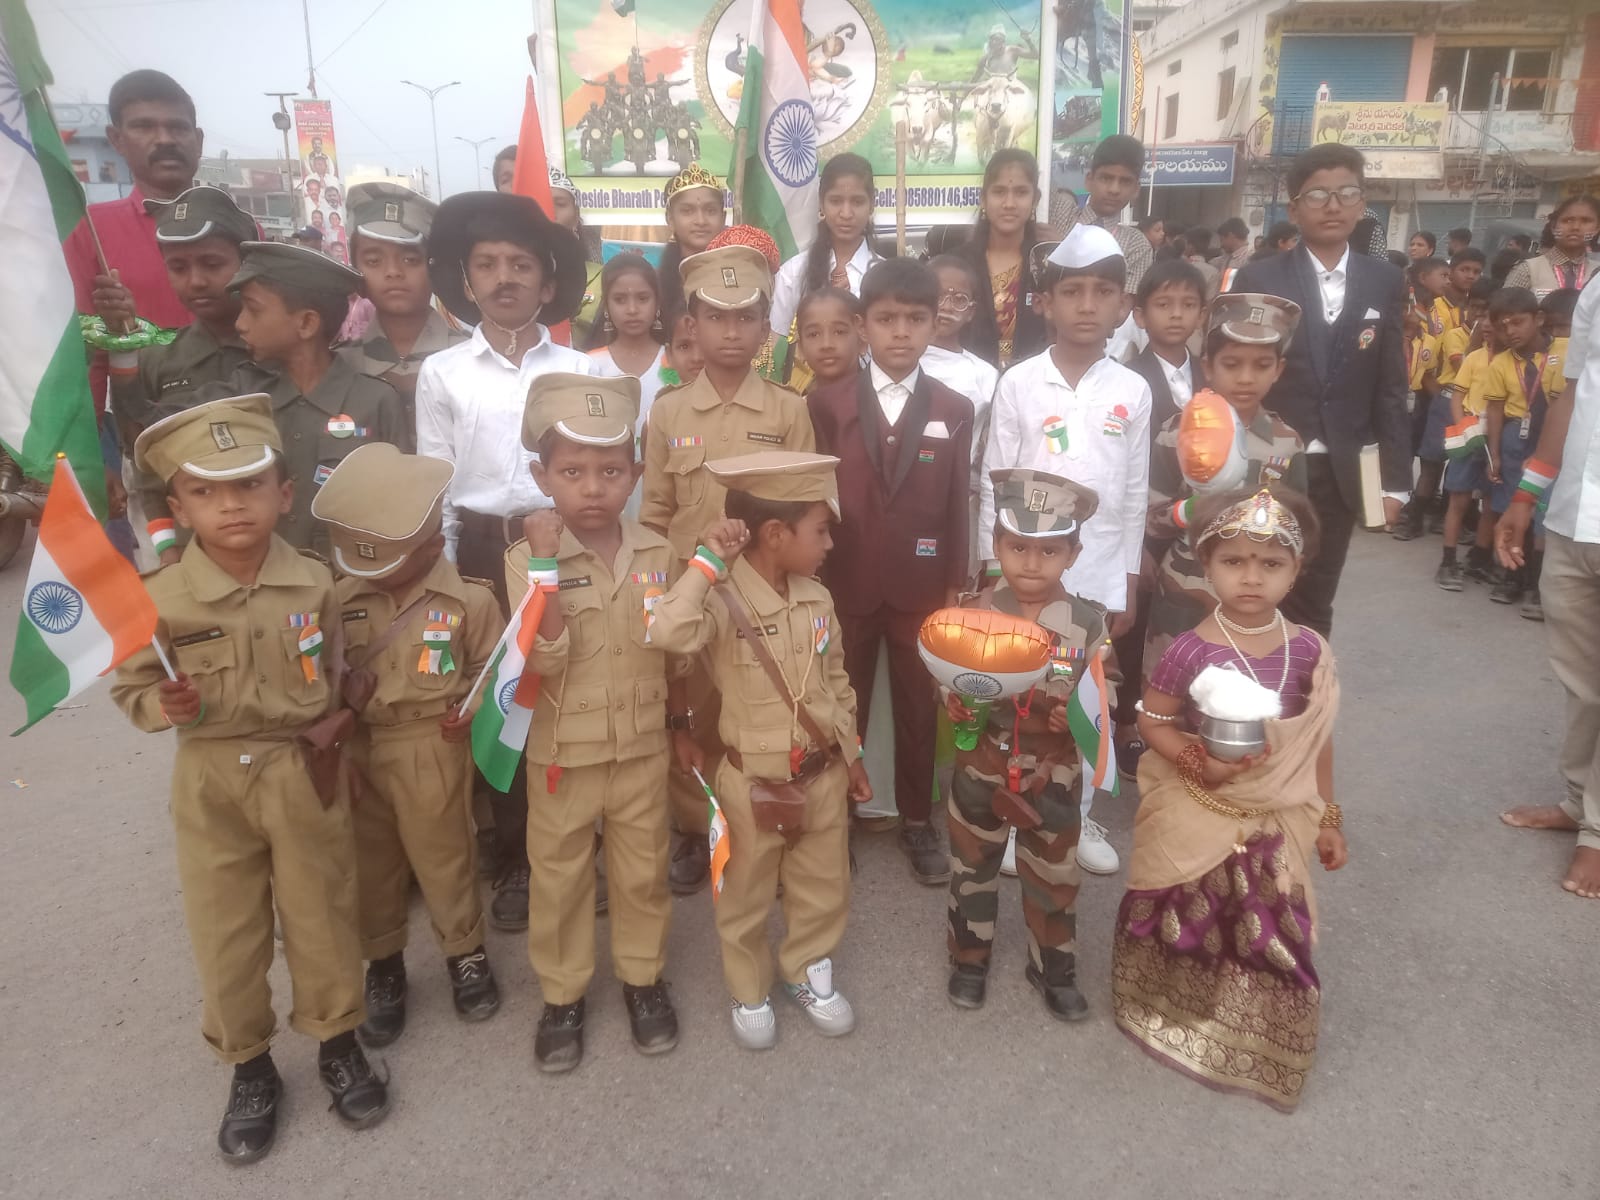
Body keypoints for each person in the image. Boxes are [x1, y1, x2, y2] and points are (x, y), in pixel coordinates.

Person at [111, 395, 390, 1163]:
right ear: (179, 507)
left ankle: (338, 1042)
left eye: (249, 485)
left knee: (321, 912)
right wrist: (161, 704)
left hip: (299, 768)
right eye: (205, 491)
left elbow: (333, 671)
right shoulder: (160, 599)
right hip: (211, 781)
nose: (230, 505)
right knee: (224, 929)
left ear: (284, 494)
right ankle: (250, 1063)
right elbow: (133, 688)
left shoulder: (314, 582)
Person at [1117, 484, 1345, 1112]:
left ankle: (1258, 1042)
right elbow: (1153, 721)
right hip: (1201, 803)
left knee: (1273, 931)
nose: (1251, 577)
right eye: (1233, 561)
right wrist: (1200, 763)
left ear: (1297, 570)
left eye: (1271, 563)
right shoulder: (1189, 648)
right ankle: (1171, 1013)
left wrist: (1330, 817)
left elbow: (1317, 741)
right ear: (1207, 565)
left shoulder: (1309, 650)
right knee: (1187, 917)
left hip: (1277, 814)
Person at [649, 451, 873, 1049]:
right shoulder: (721, 599)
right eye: (820, 531)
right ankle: (748, 988)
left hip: (822, 775)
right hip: (750, 786)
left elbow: (837, 683)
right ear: (776, 534)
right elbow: (667, 632)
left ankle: (807, 970)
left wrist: (852, 756)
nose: (829, 544)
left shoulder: (817, 598)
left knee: (823, 886)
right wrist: (706, 563)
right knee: (744, 895)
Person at [414, 189, 590, 930]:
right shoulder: (443, 374)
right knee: (504, 696)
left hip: (566, 541)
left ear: (547, 284)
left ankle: (577, 843)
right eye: (486, 264)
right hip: (485, 551)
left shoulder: (583, 369)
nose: (503, 277)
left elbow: (604, 472)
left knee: (570, 687)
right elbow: (437, 485)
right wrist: (447, 580)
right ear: (467, 280)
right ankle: (516, 855)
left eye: (520, 264)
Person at [503, 373, 687, 1072]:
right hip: (562, 755)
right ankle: (563, 995)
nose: (592, 489)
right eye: (572, 472)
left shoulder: (657, 553)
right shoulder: (526, 560)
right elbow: (544, 656)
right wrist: (545, 566)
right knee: (559, 879)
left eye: (610, 471)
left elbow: (677, 650)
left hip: (640, 746)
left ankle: (643, 978)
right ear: (541, 476)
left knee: (642, 872)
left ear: (635, 475)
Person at [310, 444, 502, 1047]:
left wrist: (470, 710)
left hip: (430, 742)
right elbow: (316, 679)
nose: (373, 573)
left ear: (430, 546)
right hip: (360, 746)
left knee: (445, 855)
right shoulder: (338, 601)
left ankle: (465, 952)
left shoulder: (469, 599)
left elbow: (492, 669)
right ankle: (385, 963)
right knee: (371, 863)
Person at [977, 224, 1153, 875]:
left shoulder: (1132, 390)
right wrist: (992, 568)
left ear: (1122, 305)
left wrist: (1126, 578)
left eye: (1102, 292)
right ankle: (1013, 817)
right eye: (1072, 291)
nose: (1086, 305)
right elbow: (994, 481)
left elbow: (1133, 492)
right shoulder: (1020, 382)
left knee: (1084, 696)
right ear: (1045, 302)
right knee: (1022, 698)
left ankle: (1073, 818)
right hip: (1026, 568)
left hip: (1097, 569)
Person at [640, 245, 816, 893]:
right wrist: (661, 593)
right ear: (692, 324)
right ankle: (696, 830)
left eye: (746, 317)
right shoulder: (668, 412)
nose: (731, 331)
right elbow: (656, 514)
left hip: (765, 595)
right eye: (716, 317)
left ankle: (770, 828)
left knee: (764, 715)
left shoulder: (789, 411)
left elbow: (805, 510)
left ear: (766, 326)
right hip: (693, 593)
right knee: (689, 715)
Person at [807, 258, 974, 883]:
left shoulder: (955, 407)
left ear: (934, 323)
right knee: (840, 701)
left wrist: (955, 582)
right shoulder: (826, 404)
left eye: (915, 319)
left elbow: (957, 500)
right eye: (886, 319)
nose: (901, 332)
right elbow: (814, 494)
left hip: (921, 586)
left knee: (917, 708)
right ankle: (838, 819)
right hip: (844, 579)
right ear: (862, 325)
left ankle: (916, 820)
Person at [942, 466, 1107, 1018]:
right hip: (982, 759)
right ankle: (969, 959)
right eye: (1018, 547)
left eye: (1049, 551)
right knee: (972, 866)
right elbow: (948, 672)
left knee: (1054, 875)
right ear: (996, 545)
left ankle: (1053, 969)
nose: (1031, 563)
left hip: (1052, 771)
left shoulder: (1087, 624)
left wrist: (1078, 715)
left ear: (1074, 554)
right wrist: (951, 700)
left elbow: (1106, 688)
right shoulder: (975, 612)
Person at [1231, 143, 1411, 637]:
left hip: (1341, 469)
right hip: (1268, 463)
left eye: (1346, 193)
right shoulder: (1260, 276)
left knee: (1317, 593)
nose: (1333, 205)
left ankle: (1306, 684)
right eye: (1317, 195)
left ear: (1361, 203)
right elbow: (1236, 373)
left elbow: (1391, 386)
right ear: (1295, 209)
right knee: (1254, 588)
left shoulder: (1384, 280)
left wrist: (1395, 483)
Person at [193, 242, 403, 555]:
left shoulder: (376, 402)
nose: (240, 324)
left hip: (349, 577)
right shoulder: (242, 396)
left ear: (306, 324)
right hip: (262, 574)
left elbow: (400, 506)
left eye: (254, 309)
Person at [1496, 270, 1600, 899]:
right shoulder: (1596, 290)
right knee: (1582, 681)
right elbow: (1572, 395)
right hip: (1573, 520)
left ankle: (1597, 832)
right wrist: (1526, 495)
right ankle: (1578, 801)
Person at [1143, 294, 1308, 686]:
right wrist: (1189, 510)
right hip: (1185, 588)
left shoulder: (1286, 442)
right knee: (1168, 686)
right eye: (1231, 364)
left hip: (1256, 593)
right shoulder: (1177, 433)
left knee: (1243, 691)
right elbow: (1150, 518)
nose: (1246, 378)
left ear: (1279, 369)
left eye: (1262, 365)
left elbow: (1298, 526)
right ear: (1207, 366)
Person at [113, 186, 255, 564]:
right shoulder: (158, 360)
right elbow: (146, 467)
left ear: (246, 262)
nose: (196, 281)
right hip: (191, 555)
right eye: (179, 268)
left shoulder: (280, 351)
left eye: (212, 264)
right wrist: (167, 550)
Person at [65, 70, 203, 412]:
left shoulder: (243, 229)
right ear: (117, 139)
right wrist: (93, 438)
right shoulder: (90, 229)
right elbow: (85, 350)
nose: (165, 139)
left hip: (239, 412)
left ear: (198, 139)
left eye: (178, 127)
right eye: (144, 127)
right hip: (140, 421)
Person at [338, 182, 466, 444]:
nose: (393, 272)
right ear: (356, 272)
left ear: (434, 267)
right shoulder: (340, 366)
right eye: (373, 261)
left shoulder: (470, 357)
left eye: (410, 259)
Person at [1481, 286, 1564, 608]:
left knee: (1545, 509)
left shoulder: (1564, 353)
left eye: (1517, 322)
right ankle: (1512, 575)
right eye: (1503, 326)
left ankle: (1537, 583)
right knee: (1511, 504)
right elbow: (1495, 409)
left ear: (1538, 318)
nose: (1510, 332)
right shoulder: (1501, 363)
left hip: (1553, 437)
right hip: (1515, 437)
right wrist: (1495, 454)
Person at [770, 154, 883, 338]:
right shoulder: (793, 274)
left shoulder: (885, 277)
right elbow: (777, 346)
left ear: (871, 204)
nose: (846, 213)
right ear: (821, 204)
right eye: (836, 201)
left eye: (857, 202)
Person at [956, 148, 1050, 368]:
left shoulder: (1047, 264)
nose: (1009, 203)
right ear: (983, 198)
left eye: (1021, 192)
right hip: (969, 378)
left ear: (1035, 199)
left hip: (1034, 379)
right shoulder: (959, 264)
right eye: (999, 192)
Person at [1434, 300, 1501, 589]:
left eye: (1493, 319)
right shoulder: (1474, 358)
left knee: (1491, 502)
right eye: (1483, 318)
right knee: (1458, 499)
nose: (1485, 324)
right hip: (1471, 433)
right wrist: (1463, 426)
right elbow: (1457, 396)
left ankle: (1479, 560)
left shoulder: (1513, 361)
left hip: (1497, 436)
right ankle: (1448, 561)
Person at [1046, 134, 1156, 301]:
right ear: (1089, 180)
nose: (1114, 189)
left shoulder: (1136, 245)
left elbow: (1120, 309)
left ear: (1136, 190)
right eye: (1106, 178)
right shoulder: (1060, 212)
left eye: (1125, 181)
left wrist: (1062, 249)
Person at [708, 224, 803, 385]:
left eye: (754, 273)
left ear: (772, 281)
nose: (744, 283)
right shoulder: (698, 337)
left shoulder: (792, 342)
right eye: (735, 272)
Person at [586, 252, 669, 432]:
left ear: (657, 303)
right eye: (620, 300)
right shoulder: (589, 365)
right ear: (606, 306)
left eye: (643, 298)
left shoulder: (674, 363)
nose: (632, 309)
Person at [656, 163, 728, 315]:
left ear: (723, 218)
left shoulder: (741, 274)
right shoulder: (653, 286)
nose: (701, 221)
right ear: (670, 219)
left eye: (710, 211)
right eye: (687, 211)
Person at [548, 167, 606, 346]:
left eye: (560, 204)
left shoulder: (601, 278)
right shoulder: (516, 278)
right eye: (542, 202)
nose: (550, 212)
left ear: (576, 216)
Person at [1504, 195, 1598, 298]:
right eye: (1567, 220)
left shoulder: (1598, 273)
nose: (1575, 227)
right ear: (1553, 227)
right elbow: (1504, 306)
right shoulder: (1527, 270)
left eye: (1585, 221)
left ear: (1597, 229)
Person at [795, 287, 863, 393]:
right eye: (814, 334)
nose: (826, 344)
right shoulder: (792, 403)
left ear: (862, 341)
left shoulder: (881, 401)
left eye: (839, 332)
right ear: (801, 348)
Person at [1434, 249, 1485, 335]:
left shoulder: (1476, 310)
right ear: (1450, 271)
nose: (1471, 276)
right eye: (1464, 270)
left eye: (1476, 272)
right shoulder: (1434, 304)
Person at [1212, 217, 1252, 281]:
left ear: (1231, 236)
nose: (1221, 245)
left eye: (1222, 240)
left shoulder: (1249, 260)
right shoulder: (1225, 258)